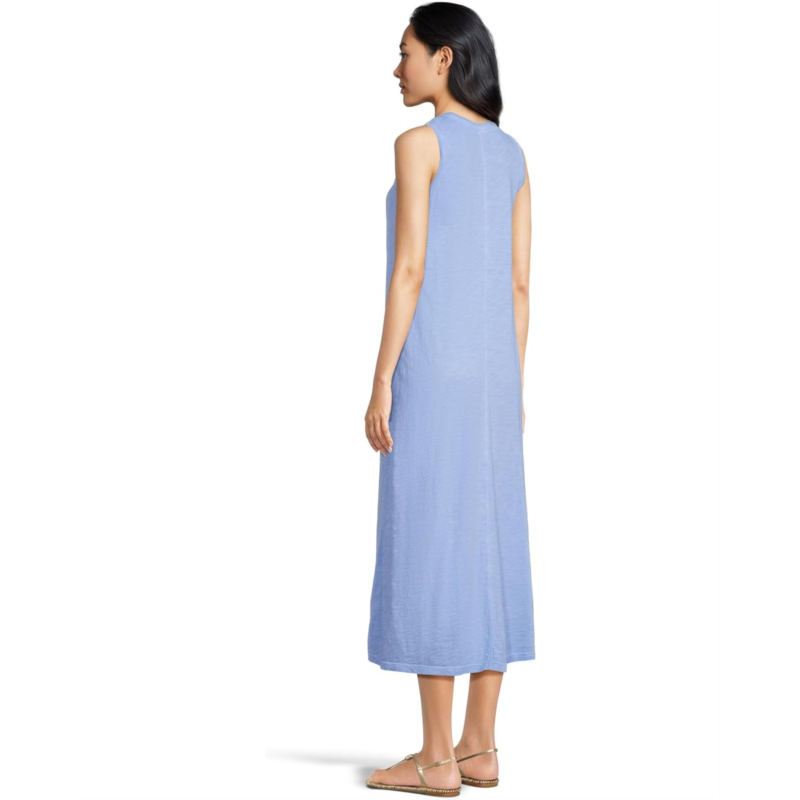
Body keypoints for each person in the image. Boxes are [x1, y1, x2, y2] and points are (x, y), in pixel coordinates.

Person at [364, 3, 535, 795]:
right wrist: (512, 384)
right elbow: (520, 284)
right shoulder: (512, 154)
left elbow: (411, 268)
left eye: (405, 53)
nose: (396, 68)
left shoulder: (419, 143)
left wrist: (381, 378)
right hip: (496, 377)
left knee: (431, 539)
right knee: (490, 539)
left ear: (444, 57)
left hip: (433, 369)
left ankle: (435, 759)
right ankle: (480, 746)